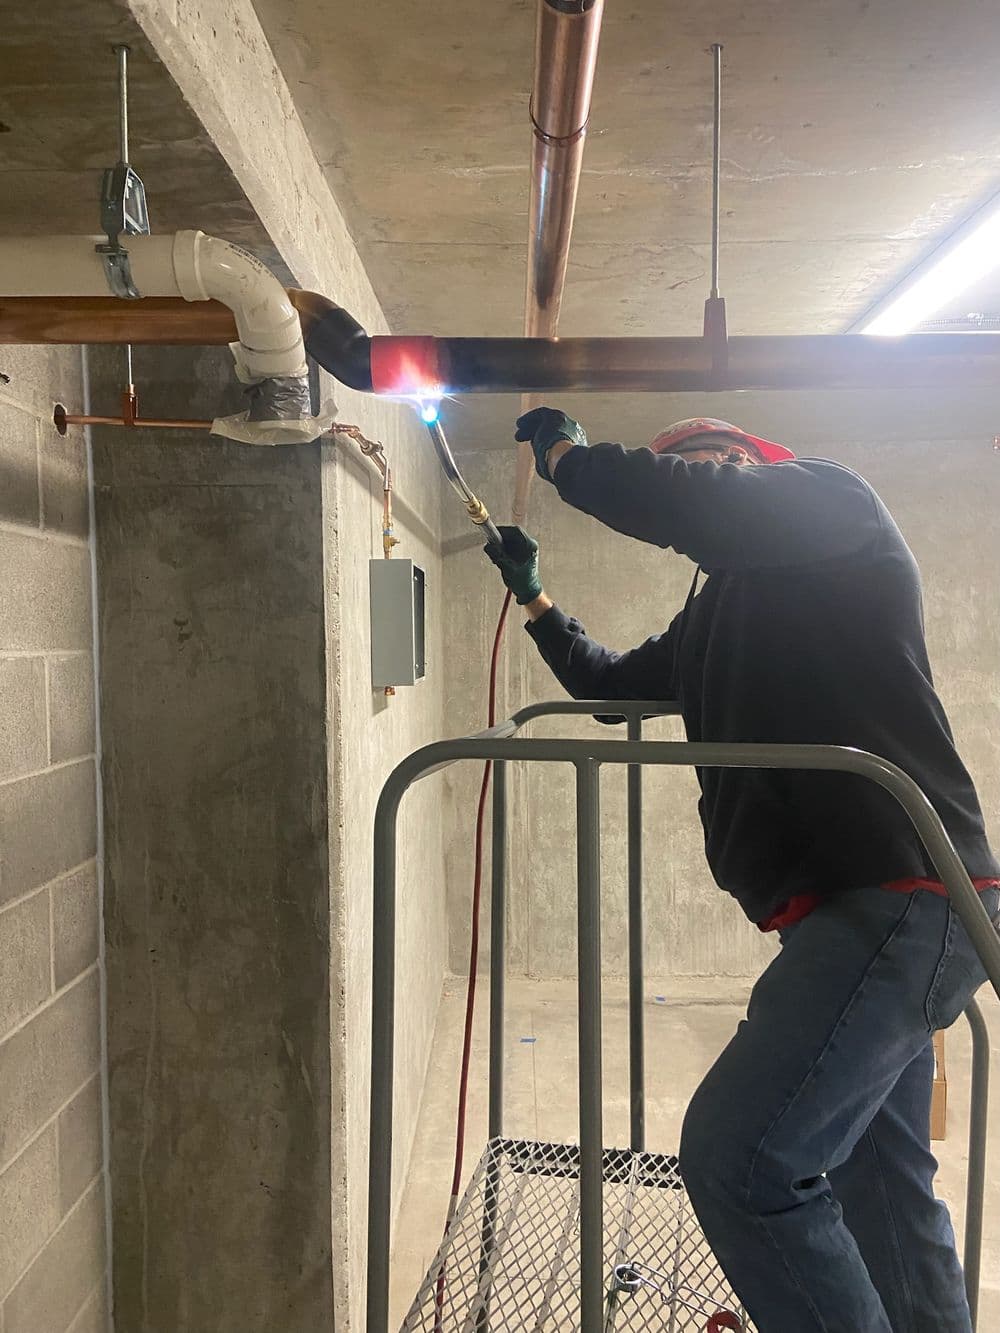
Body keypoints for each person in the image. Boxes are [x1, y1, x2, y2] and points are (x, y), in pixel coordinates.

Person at [484, 406, 1000, 1333]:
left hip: (902, 896)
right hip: (860, 915)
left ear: (762, 465)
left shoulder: (835, 508)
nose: (698, 473)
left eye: (714, 461)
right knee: (881, 1184)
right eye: (685, 463)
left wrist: (567, 456)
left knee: (741, 1159)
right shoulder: (716, 615)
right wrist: (536, 597)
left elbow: (695, 503)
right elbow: (608, 688)